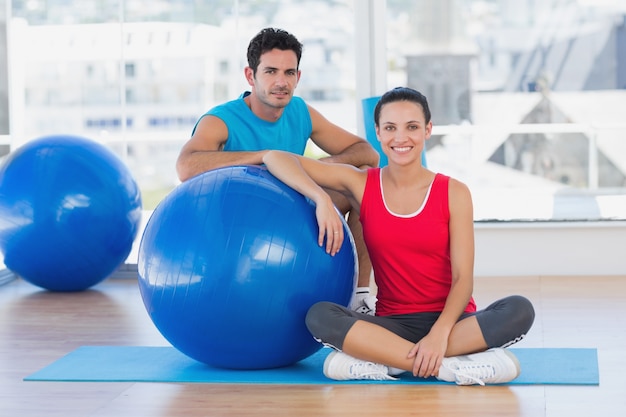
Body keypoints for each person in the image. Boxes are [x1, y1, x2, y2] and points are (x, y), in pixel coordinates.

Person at [261, 87, 535, 385]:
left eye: (412, 127)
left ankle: (390, 362)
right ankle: (446, 367)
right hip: (393, 324)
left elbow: (463, 279)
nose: (400, 138)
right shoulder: (361, 184)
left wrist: (439, 335)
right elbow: (276, 158)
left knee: (519, 310)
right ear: (377, 132)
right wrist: (321, 199)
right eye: (390, 128)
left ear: (428, 130)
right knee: (319, 316)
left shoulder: (454, 192)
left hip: (453, 322)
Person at [176, 27, 379, 314]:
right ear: (251, 76)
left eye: (289, 72)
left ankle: (359, 299)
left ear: (298, 77)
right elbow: (185, 166)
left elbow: (366, 152)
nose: (281, 82)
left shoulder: (299, 111)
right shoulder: (221, 119)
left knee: (365, 182)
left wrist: (313, 168)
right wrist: (266, 158)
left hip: (292, 208)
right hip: (240, 225)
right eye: (271, 71)